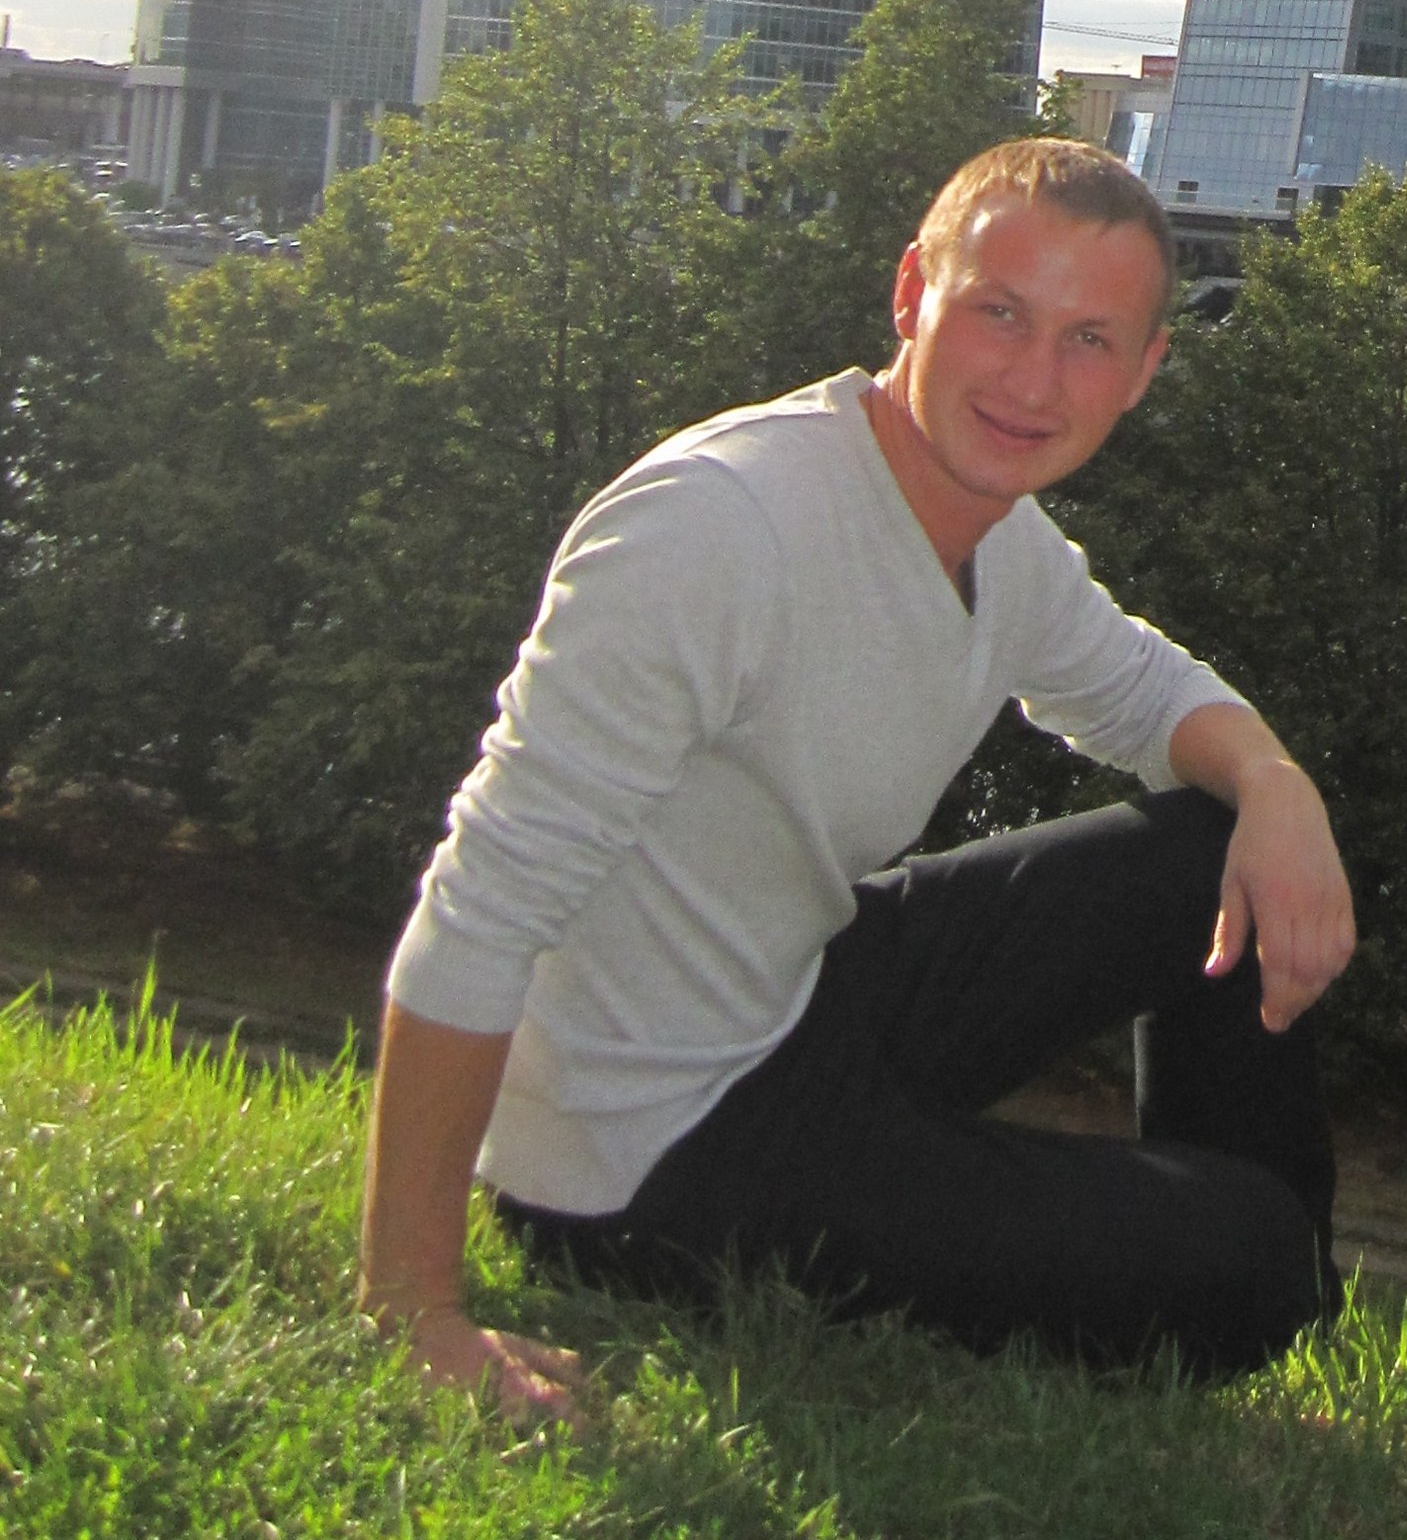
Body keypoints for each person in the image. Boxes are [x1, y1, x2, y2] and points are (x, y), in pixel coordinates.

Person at [357, 138, 1356, 1418]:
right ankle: (1238, 1265)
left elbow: (1149, 692)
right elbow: (480, 908)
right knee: (1245, 1251)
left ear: (1144, 368)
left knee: (1216, 844)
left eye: (1089, 340)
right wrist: (415, 1306)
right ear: (912, 294)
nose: (1034, 378)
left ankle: (1250, 1277)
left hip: (800, 985)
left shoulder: (998, 536)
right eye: (1000, 312)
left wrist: (1278, 782)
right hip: (649, 1145)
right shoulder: (716, 528)